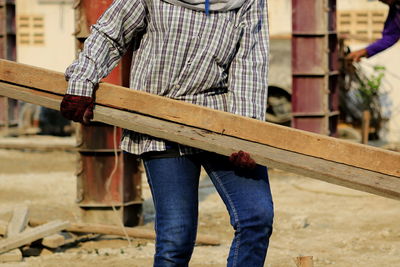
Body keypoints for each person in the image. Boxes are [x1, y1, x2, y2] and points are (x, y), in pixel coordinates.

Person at [60, 0, 273, 266]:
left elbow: (251, 61)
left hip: (220, 121)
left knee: (257, 217)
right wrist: (82, 80)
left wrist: (245, 132)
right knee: (176, 240)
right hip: (159, 120)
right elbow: (111, 32)